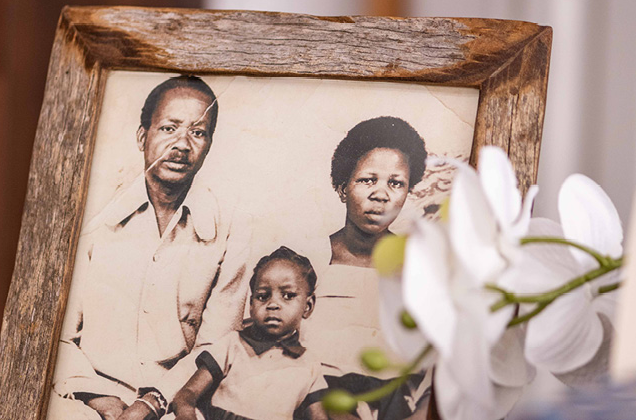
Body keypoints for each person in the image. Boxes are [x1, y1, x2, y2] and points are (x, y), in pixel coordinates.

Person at [48, 76, 251, 420]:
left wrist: (153, 403)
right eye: (169, 128)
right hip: (83, 398)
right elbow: (57, 335)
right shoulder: (91, 214)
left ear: (210, 144)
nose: (182, 145)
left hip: (178, 402)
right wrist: (103, 401)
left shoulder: (230, 228)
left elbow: (217, 346)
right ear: (143, 136)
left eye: (198, 133)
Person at [301, 116, 430, 420]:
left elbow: (434, 364)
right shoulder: (307, 260)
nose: (381, 194)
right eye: (367, 180)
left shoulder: (419, 267)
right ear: (342, 188)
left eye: (396, 183)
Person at [171, 246, 329, 420]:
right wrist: (186, 413)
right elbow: (188, 393)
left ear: (308, 306)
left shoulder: (309, 364)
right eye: (263, 296)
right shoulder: (232, 345)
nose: (273, 304)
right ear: (251, 305)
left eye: (288, 295)